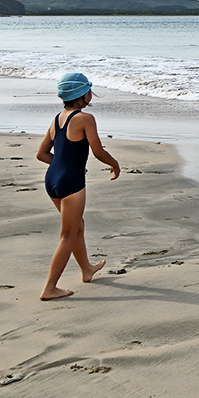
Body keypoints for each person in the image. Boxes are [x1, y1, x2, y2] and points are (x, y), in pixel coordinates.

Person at [35, 73, 120, 300]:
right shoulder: (85, 119)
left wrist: (64, 166)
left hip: (52, 180)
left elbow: (41, 154)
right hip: (71, 183)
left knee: (77, 226)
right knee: (68, 235)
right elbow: (98, 151)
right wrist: (115, 164)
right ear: (84, 94)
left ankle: (86, 269)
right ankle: (50, 288)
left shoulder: (57, 119)